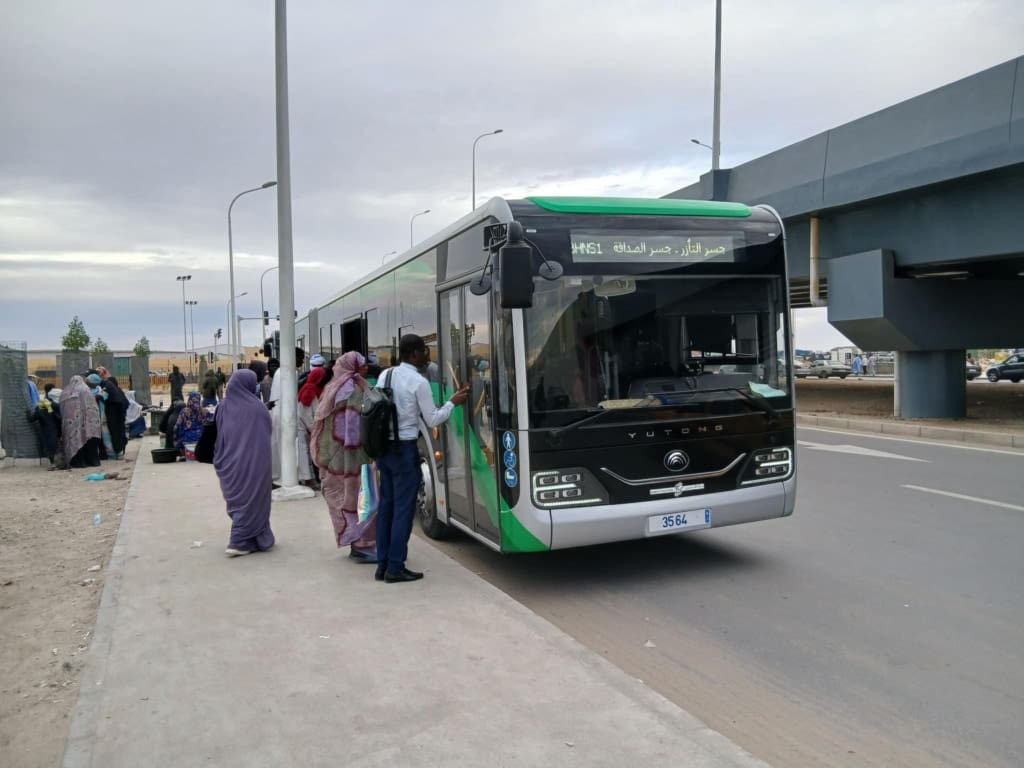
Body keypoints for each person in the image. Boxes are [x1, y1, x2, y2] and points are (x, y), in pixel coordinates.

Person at [375, 335, 469, 583]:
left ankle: (382, 564)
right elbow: (433, 418)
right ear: (414, 353)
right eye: (424, 351)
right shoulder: (419, 382)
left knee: (386, 507)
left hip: (384, 450)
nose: (427, 356)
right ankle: (395, 567)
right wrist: (453, 402)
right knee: (403, 511)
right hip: (404, 450)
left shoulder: (386, 375)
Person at [311, 351, 377, 561]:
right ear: (353, 367)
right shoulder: (353, 389)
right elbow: (354, 426)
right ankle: (363, 546)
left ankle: (357, 544)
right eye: (362, 364)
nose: (366, 368)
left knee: (348, 496)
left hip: (334, 457)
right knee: (361, 498)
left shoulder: (333, 387)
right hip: (353, 457)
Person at [214, 368, 275, 556]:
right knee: (255, 500)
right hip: (255, 463)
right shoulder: (258, 408)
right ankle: (239, 541)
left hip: (229, 464)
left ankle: (257, 538)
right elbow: (267, 432)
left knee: (242, 502)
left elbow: (220, 433)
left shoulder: (223, 406)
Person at [60, 375, 103, 468]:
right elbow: (93, 406)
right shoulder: (86, 389)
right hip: (89, 422)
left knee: (76, 441)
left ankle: (80, 463)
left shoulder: (66, 392)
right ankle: (93, 462)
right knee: (89, 442)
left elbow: (62, 408)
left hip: (72, 424)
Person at [297, 365, 327, 490]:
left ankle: (308, 477)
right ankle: (307, 479)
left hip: (306, 426)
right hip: (303, 426)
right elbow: (306, 414)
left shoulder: (312, 388)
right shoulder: (309, 390)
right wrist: (314, 430)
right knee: (303, 453)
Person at [96, 366, 128, 459]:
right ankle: (118, 451)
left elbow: (119, 403)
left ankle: (116, 452)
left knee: (115, 434)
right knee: (117, 434)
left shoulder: (109, 387)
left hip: (114, 416)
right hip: (117, 416)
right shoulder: (116, 389)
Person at [28, 391, 61, 469]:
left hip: (46, 433)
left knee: (49, 448)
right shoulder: (52, 411)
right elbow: (59, 419)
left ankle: (53, 464)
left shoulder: (40, 411)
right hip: (55, 432)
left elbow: (31, 419)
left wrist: (28, 412)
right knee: (55, 448)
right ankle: (57, 463)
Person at [173, 392, 206, 458]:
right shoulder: (202, 410)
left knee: (179, 440)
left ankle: (183, 454)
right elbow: (205, 423)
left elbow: (177, 426)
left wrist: (175, 438)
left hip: (186, 438)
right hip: (201, 437)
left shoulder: (184, 411)